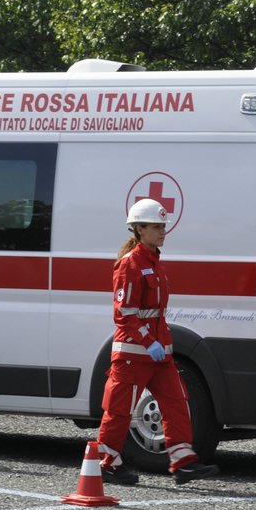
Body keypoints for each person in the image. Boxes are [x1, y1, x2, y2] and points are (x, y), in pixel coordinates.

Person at [94, 198, 220, 486]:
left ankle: (183, 462)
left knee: (177, 403)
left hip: (159, 353)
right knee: (119, 410)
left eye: (163, 225)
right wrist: (148, 341)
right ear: (138, 229)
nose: (162, 231)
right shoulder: (130, 264)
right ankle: (108, 464)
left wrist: (159, 345)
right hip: (133, 353)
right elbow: (124, 314)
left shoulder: (155, 264)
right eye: (155, 226)